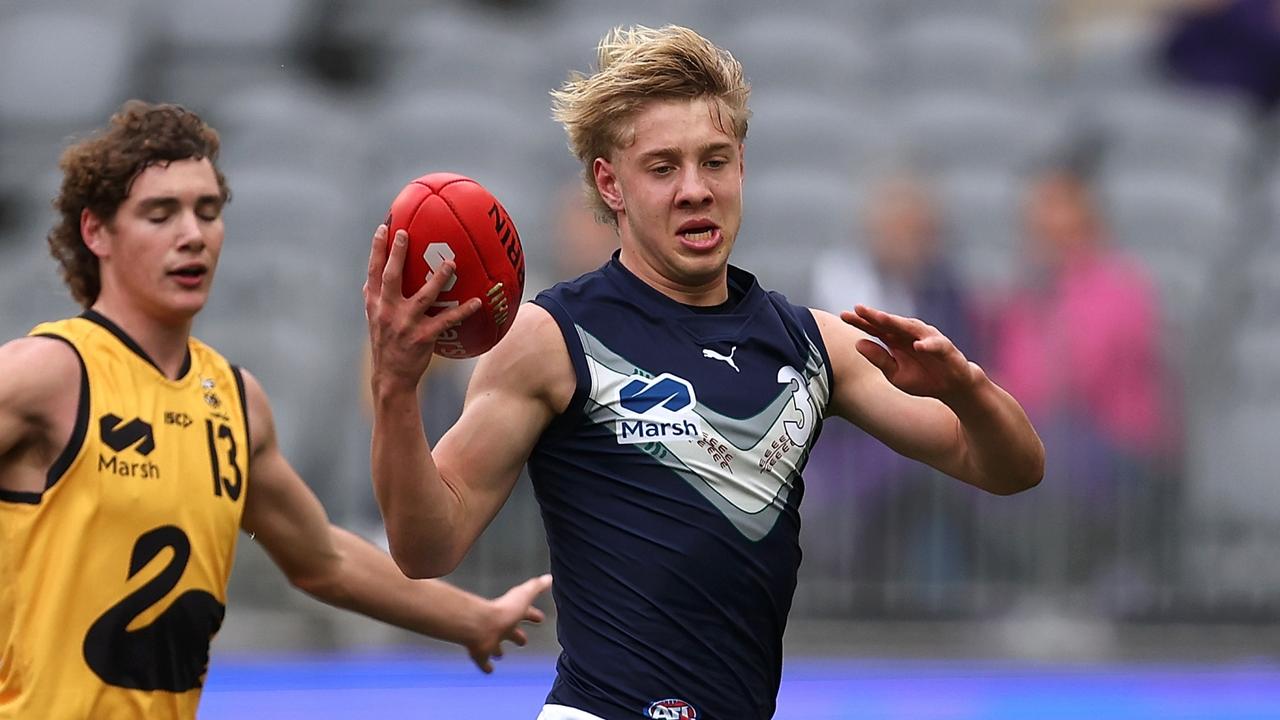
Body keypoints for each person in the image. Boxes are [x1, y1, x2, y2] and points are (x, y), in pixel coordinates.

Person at [364, 25, 1044, 720]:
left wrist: (969, 388)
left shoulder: (817, 345)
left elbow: (1012, 468)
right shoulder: (550, 339)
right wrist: (394, 388)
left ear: (741, 167)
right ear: (611, 183)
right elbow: (426, 547)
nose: (695, 189)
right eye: (663, 168)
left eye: (714, 161)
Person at [0, 100, 552, 720]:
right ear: (96, 232)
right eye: (161, 213)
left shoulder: (235, 401)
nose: (193, 234)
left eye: (207, 212)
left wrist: (475, 618)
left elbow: (324, 559)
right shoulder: (46, 374)